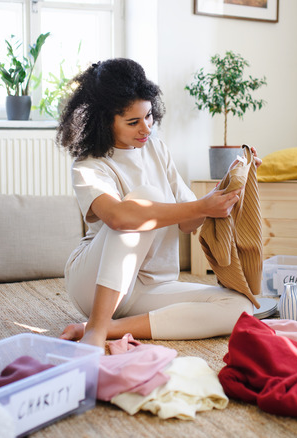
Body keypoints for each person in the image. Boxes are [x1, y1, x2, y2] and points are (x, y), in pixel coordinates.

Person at [55, 58, 260, 348]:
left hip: (152, 286)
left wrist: (228, 185)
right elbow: (118, 217)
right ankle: (96, 328)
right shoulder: (89, 165)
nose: (146, 128)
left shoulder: (157, 149)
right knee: (144, 200)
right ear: (104, 120)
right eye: (133, 122)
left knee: (240, 308)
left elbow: (189, 221)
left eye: (149, 116)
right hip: (94, 284)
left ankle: (109, 328)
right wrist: (201, 206)